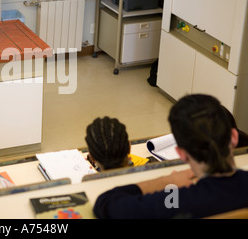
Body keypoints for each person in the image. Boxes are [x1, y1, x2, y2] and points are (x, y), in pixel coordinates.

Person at [94, 94, 248, 219]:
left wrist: (168, 181)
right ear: (234, 138)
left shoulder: (175, 201)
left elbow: (106, 204)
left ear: (181, 154)